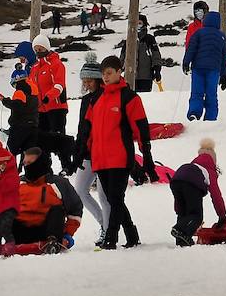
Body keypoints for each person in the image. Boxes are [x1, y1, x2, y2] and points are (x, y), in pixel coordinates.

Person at [75, 55, 153, 250]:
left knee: (115, 198)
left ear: (119, 72)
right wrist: (80, 153)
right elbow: (89, 131)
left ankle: (111, 237)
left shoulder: (130, 97)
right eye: (104, 74)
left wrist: (148, 159)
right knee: (113, 199)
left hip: (119, 157)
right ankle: (131, 234)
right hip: (100, 159)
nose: (106, 77)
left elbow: (142, 130)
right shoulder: (98, 100)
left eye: (109, 73)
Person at [67, 53, 110, 244]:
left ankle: (109, 231)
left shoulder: (106, 98)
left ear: (98, 79)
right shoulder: (86, 100)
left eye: (89, 80)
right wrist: (78, 152)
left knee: (104, 195)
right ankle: (104, 223)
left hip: (105, 154)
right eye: (84, 80)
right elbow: (82, 129)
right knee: (80, 190)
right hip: (88, 153)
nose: (86, 84)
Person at [171, 139, 226, 246]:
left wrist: (178, 209)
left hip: (176, 179)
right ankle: (180, 229)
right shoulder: (209, 170)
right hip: (191, 184)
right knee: (196, 216)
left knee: (183, 213)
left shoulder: (193, 165)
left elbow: (180, 200)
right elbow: (216, 196)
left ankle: (182, 240)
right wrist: (222, 215)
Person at [182, 11, 226, 121]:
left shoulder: (198, 33)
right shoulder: (221, 36)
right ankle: (210, 117)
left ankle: (194, 113)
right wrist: (223, 75)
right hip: (214, 70)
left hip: (198, 68)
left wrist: (186, 62)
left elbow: (191, 48)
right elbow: (224, 57)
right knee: (211, 94)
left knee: (197, 92)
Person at [29, 34, 69, 165]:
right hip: (40, 109)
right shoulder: (34, 68)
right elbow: (31, 86)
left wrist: (49, 97)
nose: (38, 52)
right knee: (40, 140)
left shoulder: (57, 64)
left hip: (56, 107)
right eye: (36, 50)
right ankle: (44, 166)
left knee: (59, 138)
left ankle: (66, 165)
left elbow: (59, 85)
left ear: (47, 48)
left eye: (41, 49)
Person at [1, 71, 41, 156]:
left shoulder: (20, 91)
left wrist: (4, 100)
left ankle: (11, 169)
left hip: (19, 127)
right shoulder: (34, 92)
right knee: (29, 155)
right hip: (33, 126)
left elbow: (16, 106)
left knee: (10, 153)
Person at [118, 15, 162, 93]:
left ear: (144, 24)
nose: (137, 25)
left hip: (145, 77)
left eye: (140, 23)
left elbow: (156, 55)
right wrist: (118, 70)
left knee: (145, 99)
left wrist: (157, 70)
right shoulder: (129, 39)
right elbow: (123, 57)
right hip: (130, 76)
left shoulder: (149, 39)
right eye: (136, 23)